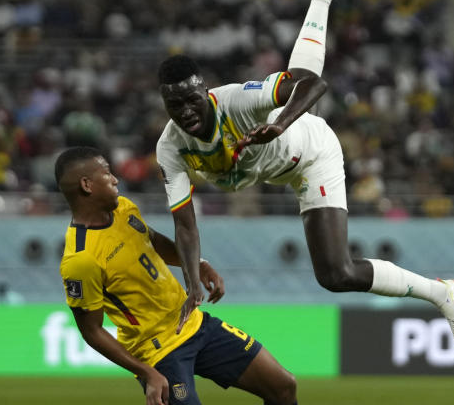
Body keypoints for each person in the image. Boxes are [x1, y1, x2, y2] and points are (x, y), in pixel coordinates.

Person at [156, 0, 454, 352]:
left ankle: (444, 294)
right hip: (276, 172)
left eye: (192, 100)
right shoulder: (169, 147)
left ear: (206, 92)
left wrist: (279, 123)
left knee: (337, 272)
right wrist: (191, 283)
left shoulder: (237, 100)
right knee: (333, 278)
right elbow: (185, 225)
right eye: (174, 105)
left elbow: (313, 85)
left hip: (311, 153)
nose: (185, 112)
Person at [56, 147, 297, 405]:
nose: (115, 179)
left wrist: (196, 264)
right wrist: (146, 372)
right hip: (158, 353)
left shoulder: (123, 209)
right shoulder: (81, 259)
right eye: (107, 174)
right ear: (87, 185)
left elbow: (152, 242)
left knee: (283, 386)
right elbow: (91, 331)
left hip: (194, 324)